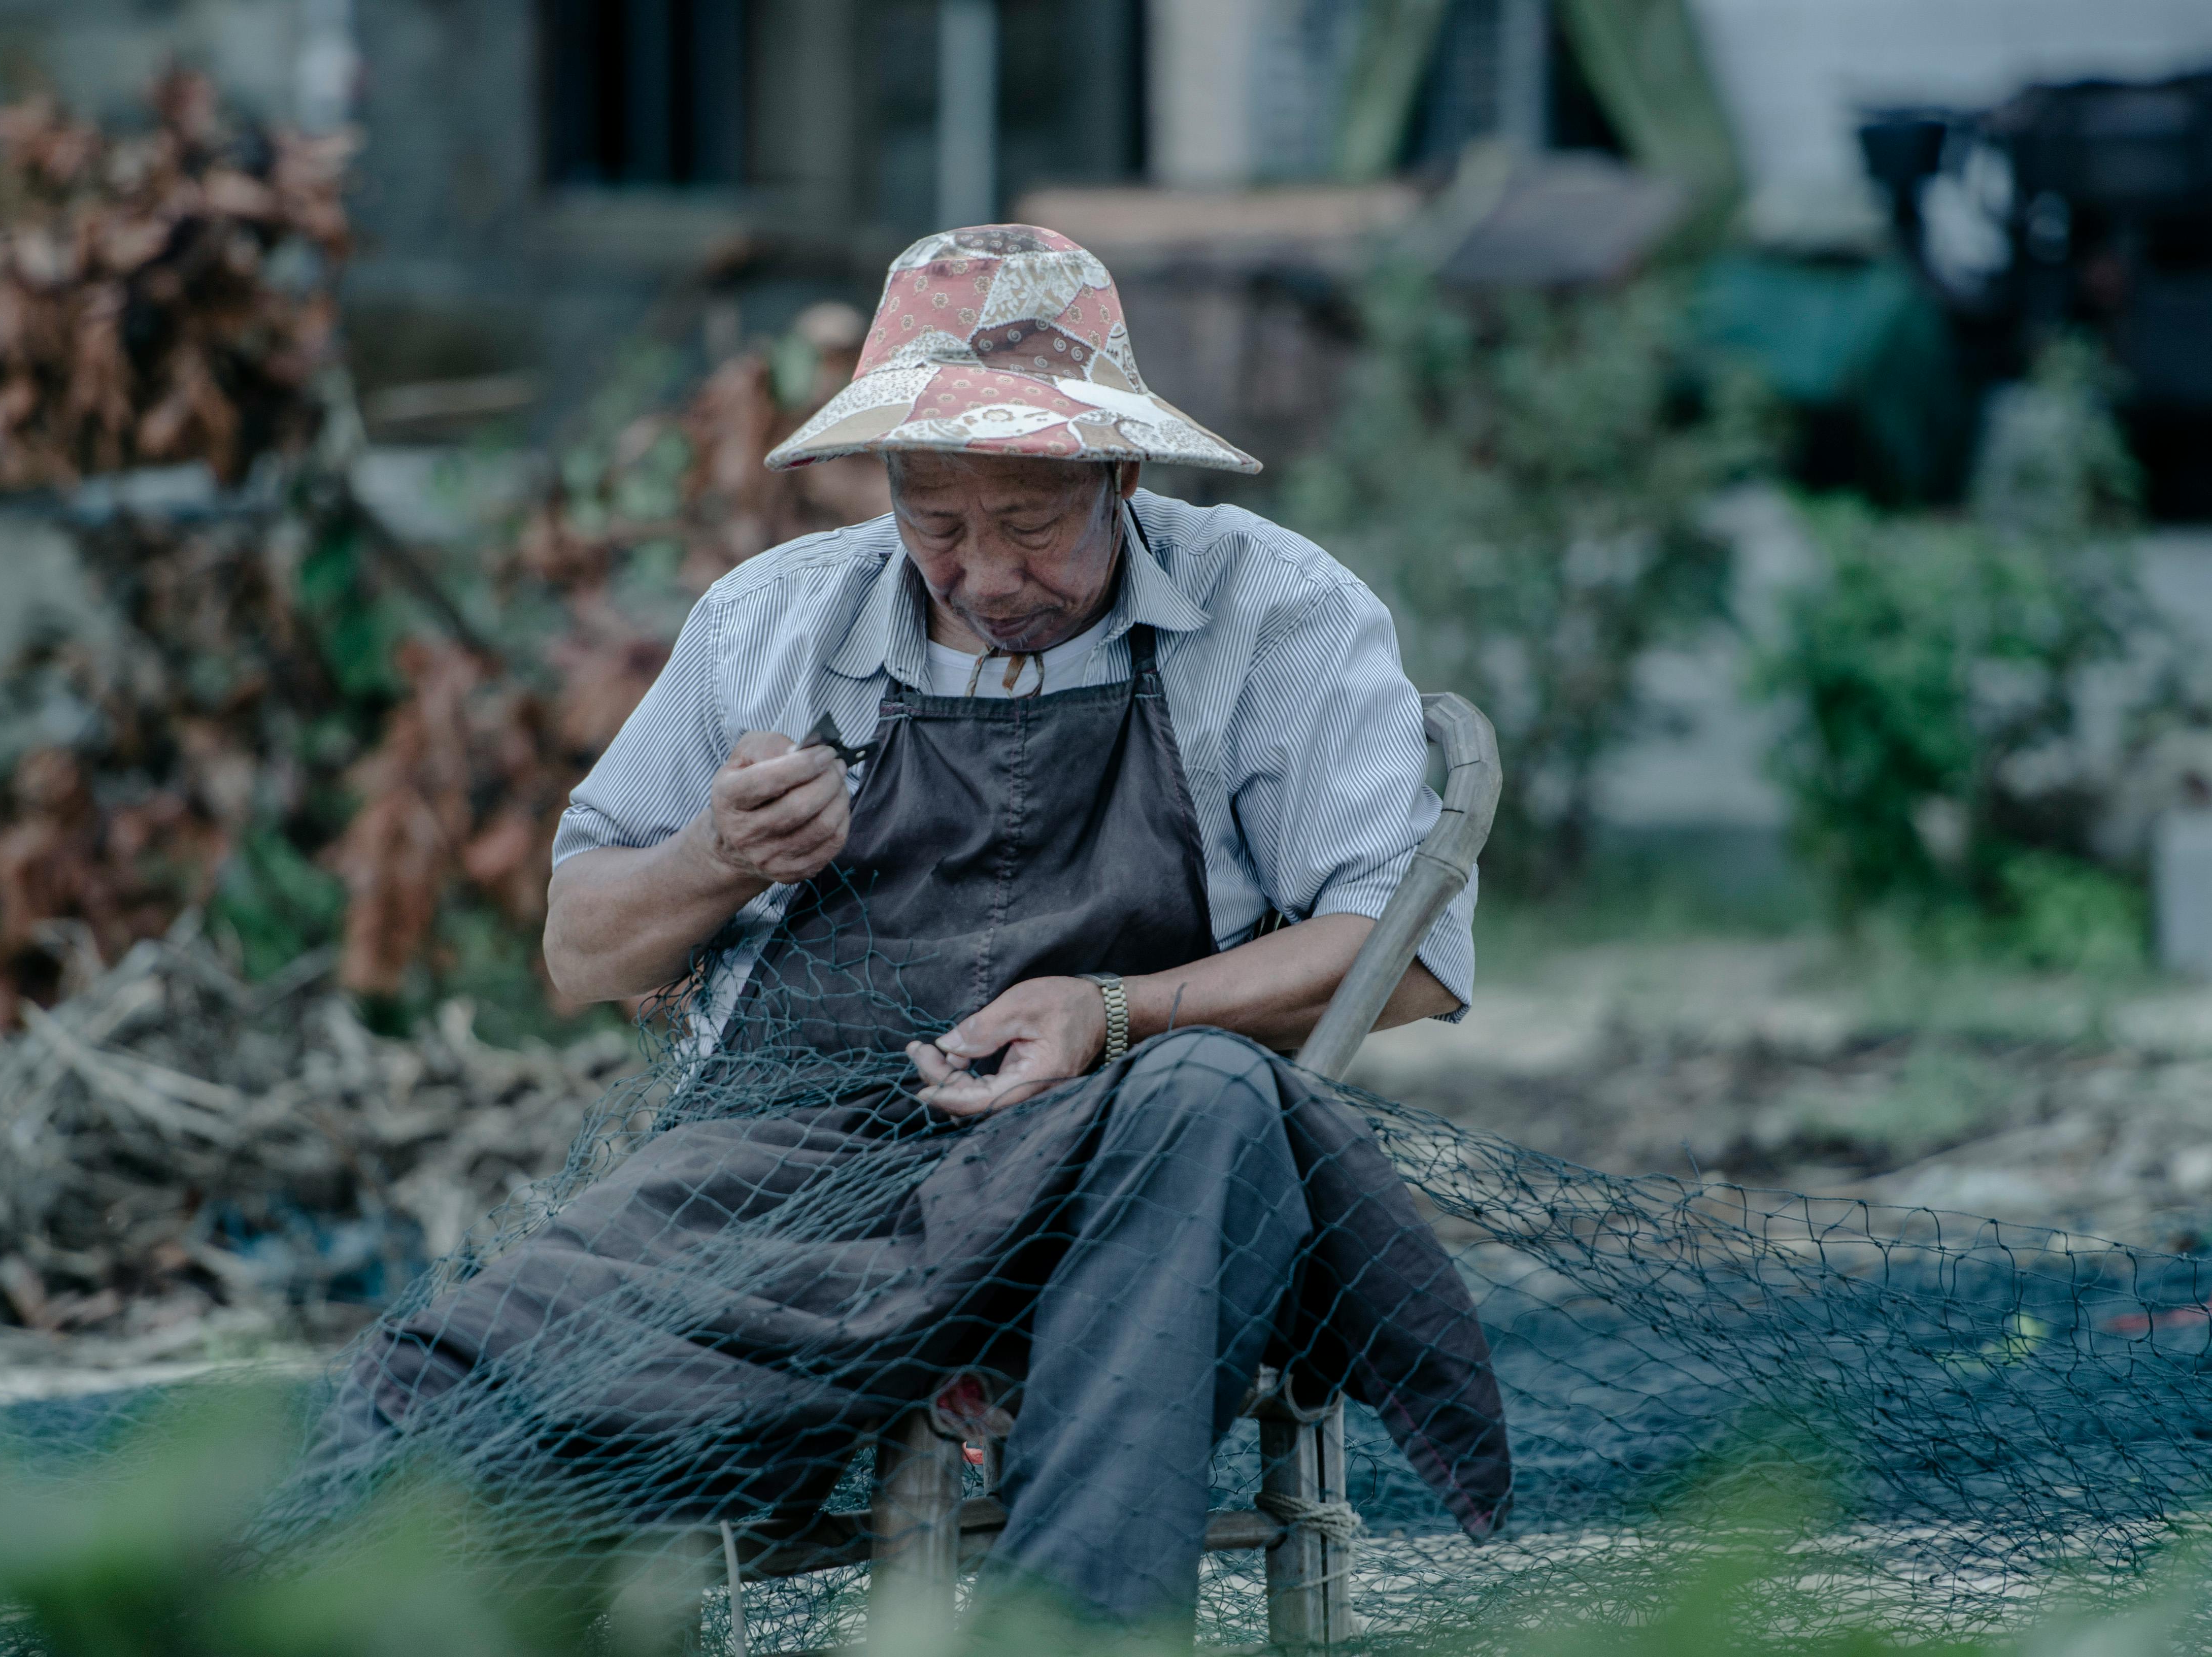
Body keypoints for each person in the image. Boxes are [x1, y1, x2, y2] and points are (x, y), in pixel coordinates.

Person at [320, 225, 1509, 1633]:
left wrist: (1117, 1013)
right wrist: (716, 854)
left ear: (1121, 476)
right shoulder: (773, 620)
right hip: (795, 1174)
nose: (987, 577)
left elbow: (1410, 960)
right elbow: (584, 952)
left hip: (1126, 1193)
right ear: (884, 484)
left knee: (1210, 1094)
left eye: (1031, 528)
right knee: (458, 1374)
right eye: (938, 528)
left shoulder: (1277, 612)